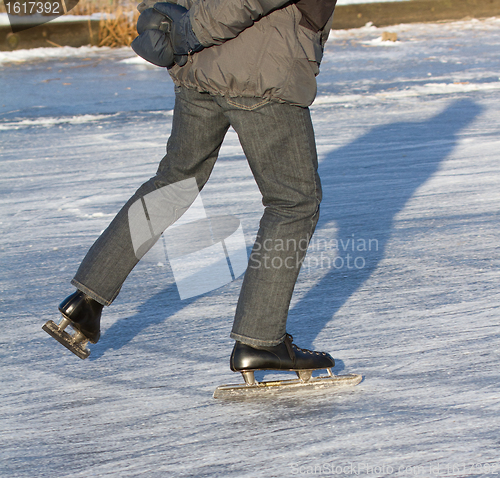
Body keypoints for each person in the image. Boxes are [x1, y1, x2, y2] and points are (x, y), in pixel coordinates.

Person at [51, 0, 338, 383]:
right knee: (294, 202)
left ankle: (88, 300)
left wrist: (174, 26)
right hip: (258, 69)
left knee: (174, 182)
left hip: (200, 69)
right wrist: (187, 31)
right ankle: (261, 340)